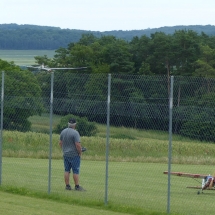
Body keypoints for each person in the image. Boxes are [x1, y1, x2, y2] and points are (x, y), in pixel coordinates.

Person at [59, 118, 85, 191]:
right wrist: (80, 152)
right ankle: (77, 186)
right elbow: (78, 145)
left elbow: (60, 143)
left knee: (67, 170)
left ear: (68, 124)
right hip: (74, 155)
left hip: (66, 154)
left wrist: (64, 150)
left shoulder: (63, 131)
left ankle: (67, 186)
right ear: (75, 125)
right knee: (76, 170)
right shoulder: (75, 133)